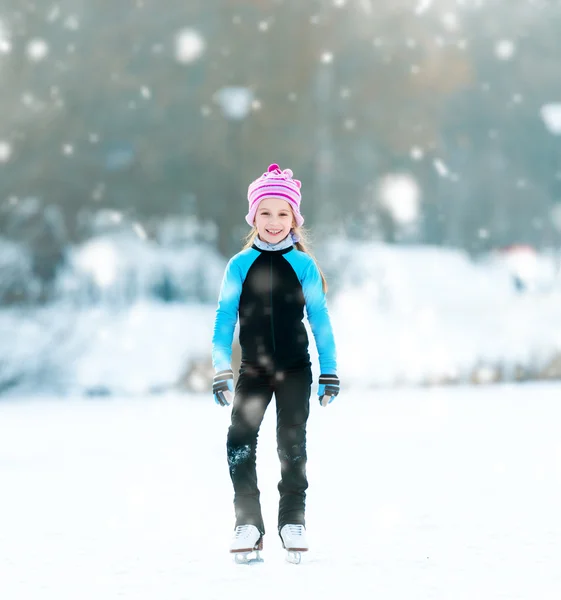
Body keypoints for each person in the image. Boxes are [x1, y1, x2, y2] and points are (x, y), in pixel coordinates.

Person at [211, 163, 340, 561]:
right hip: (253, 370)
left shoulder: (303, 267)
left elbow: (320, 321)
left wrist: (329, 371)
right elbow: (223, 320)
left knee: (291, 441)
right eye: (265, 213)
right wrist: (221, 369)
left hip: (295, 370)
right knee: (239, 440)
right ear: (253, 218)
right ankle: (247, 522)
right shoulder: (239, 265)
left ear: (294, 219)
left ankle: (292, 519)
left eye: (282, 213)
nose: (273, 221)